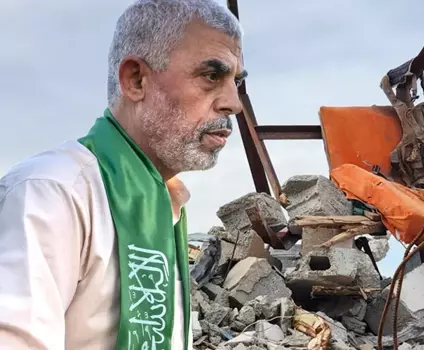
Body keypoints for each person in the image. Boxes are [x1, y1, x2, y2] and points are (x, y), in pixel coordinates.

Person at [0, 1, 245, 349]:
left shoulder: (165, 205)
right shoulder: (53, 194)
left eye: (236, 82)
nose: (233, 103)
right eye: (211, 76)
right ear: (136, 80)